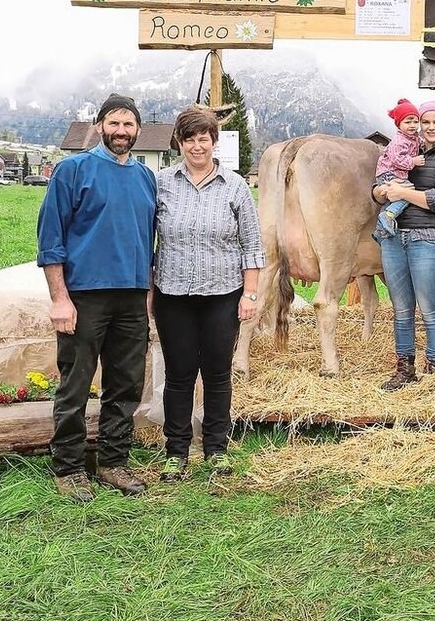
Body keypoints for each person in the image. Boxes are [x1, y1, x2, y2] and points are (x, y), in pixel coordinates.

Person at [37, 93, 157, 501]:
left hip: (132, 298)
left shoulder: (145, 178)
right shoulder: (72, 171)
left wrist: (147, 298)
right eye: (114, 123)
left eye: (128, 124)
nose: (121, 131)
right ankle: (69, 468)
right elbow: (50, 240)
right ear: (99, 126)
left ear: (138, 130)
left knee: (125, 385)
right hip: (85, 296)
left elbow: (147, 241)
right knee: (75, 384)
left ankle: (113, 463)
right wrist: (60, 299)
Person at [152, 106, 265, 481]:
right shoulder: (162, 183)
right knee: (180, 374)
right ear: (179, 143)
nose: (197, 146)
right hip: (174, 294)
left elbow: (252, 245)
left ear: (214, 142)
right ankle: (177, 450)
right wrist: (149, 289)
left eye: (204, 138)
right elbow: (148, 239)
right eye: (189, 139)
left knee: (217, 373)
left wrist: (250, 294)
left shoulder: (234, 187)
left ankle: (216, 447)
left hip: (222, 295)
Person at [372, 101, 435, 390]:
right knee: (401, 310)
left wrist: (400, 193)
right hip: (394, 238)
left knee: (429, 309)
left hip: (428, 238)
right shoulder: (407, 149)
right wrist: (381, 191)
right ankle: (405, 369)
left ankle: (434, 370)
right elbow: (377, 193)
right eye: (426, 122)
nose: (430, 127)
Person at [372, 98, 424, 241]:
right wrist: (413, 161)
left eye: (415, 121)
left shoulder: (412, 137)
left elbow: (420, 143)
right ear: (399, 124)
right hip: (389, 173)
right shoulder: (399, 141)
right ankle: (388, 215)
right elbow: (397, 159)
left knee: (393, 198)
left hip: (392, 173)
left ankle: (379, 230)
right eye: (408, 122)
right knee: (409, 192)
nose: (412, 125)